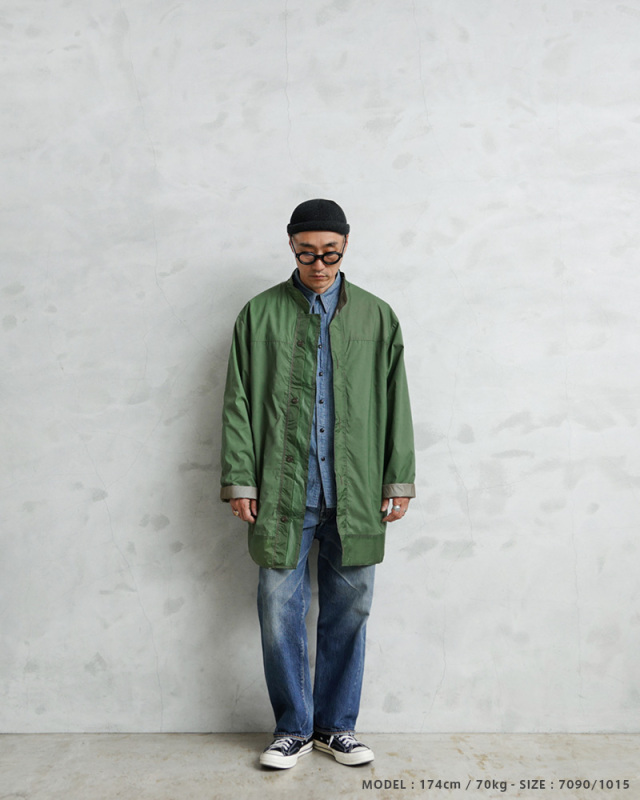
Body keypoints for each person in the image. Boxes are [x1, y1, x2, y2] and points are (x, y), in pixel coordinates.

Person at [220, 198, 415, 769]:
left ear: (346, 246)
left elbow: (397, 403)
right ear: (291, 247)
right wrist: (240, 480)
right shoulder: (259, 315)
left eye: (330, 253)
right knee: (277, 611)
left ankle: (336, 728)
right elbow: (237, 402)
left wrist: (398, 478)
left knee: (349, 612)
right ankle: (293, 729)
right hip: (284, 493)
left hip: (357, 491)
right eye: (307, 253)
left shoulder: (377, 316)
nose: (320, 265)